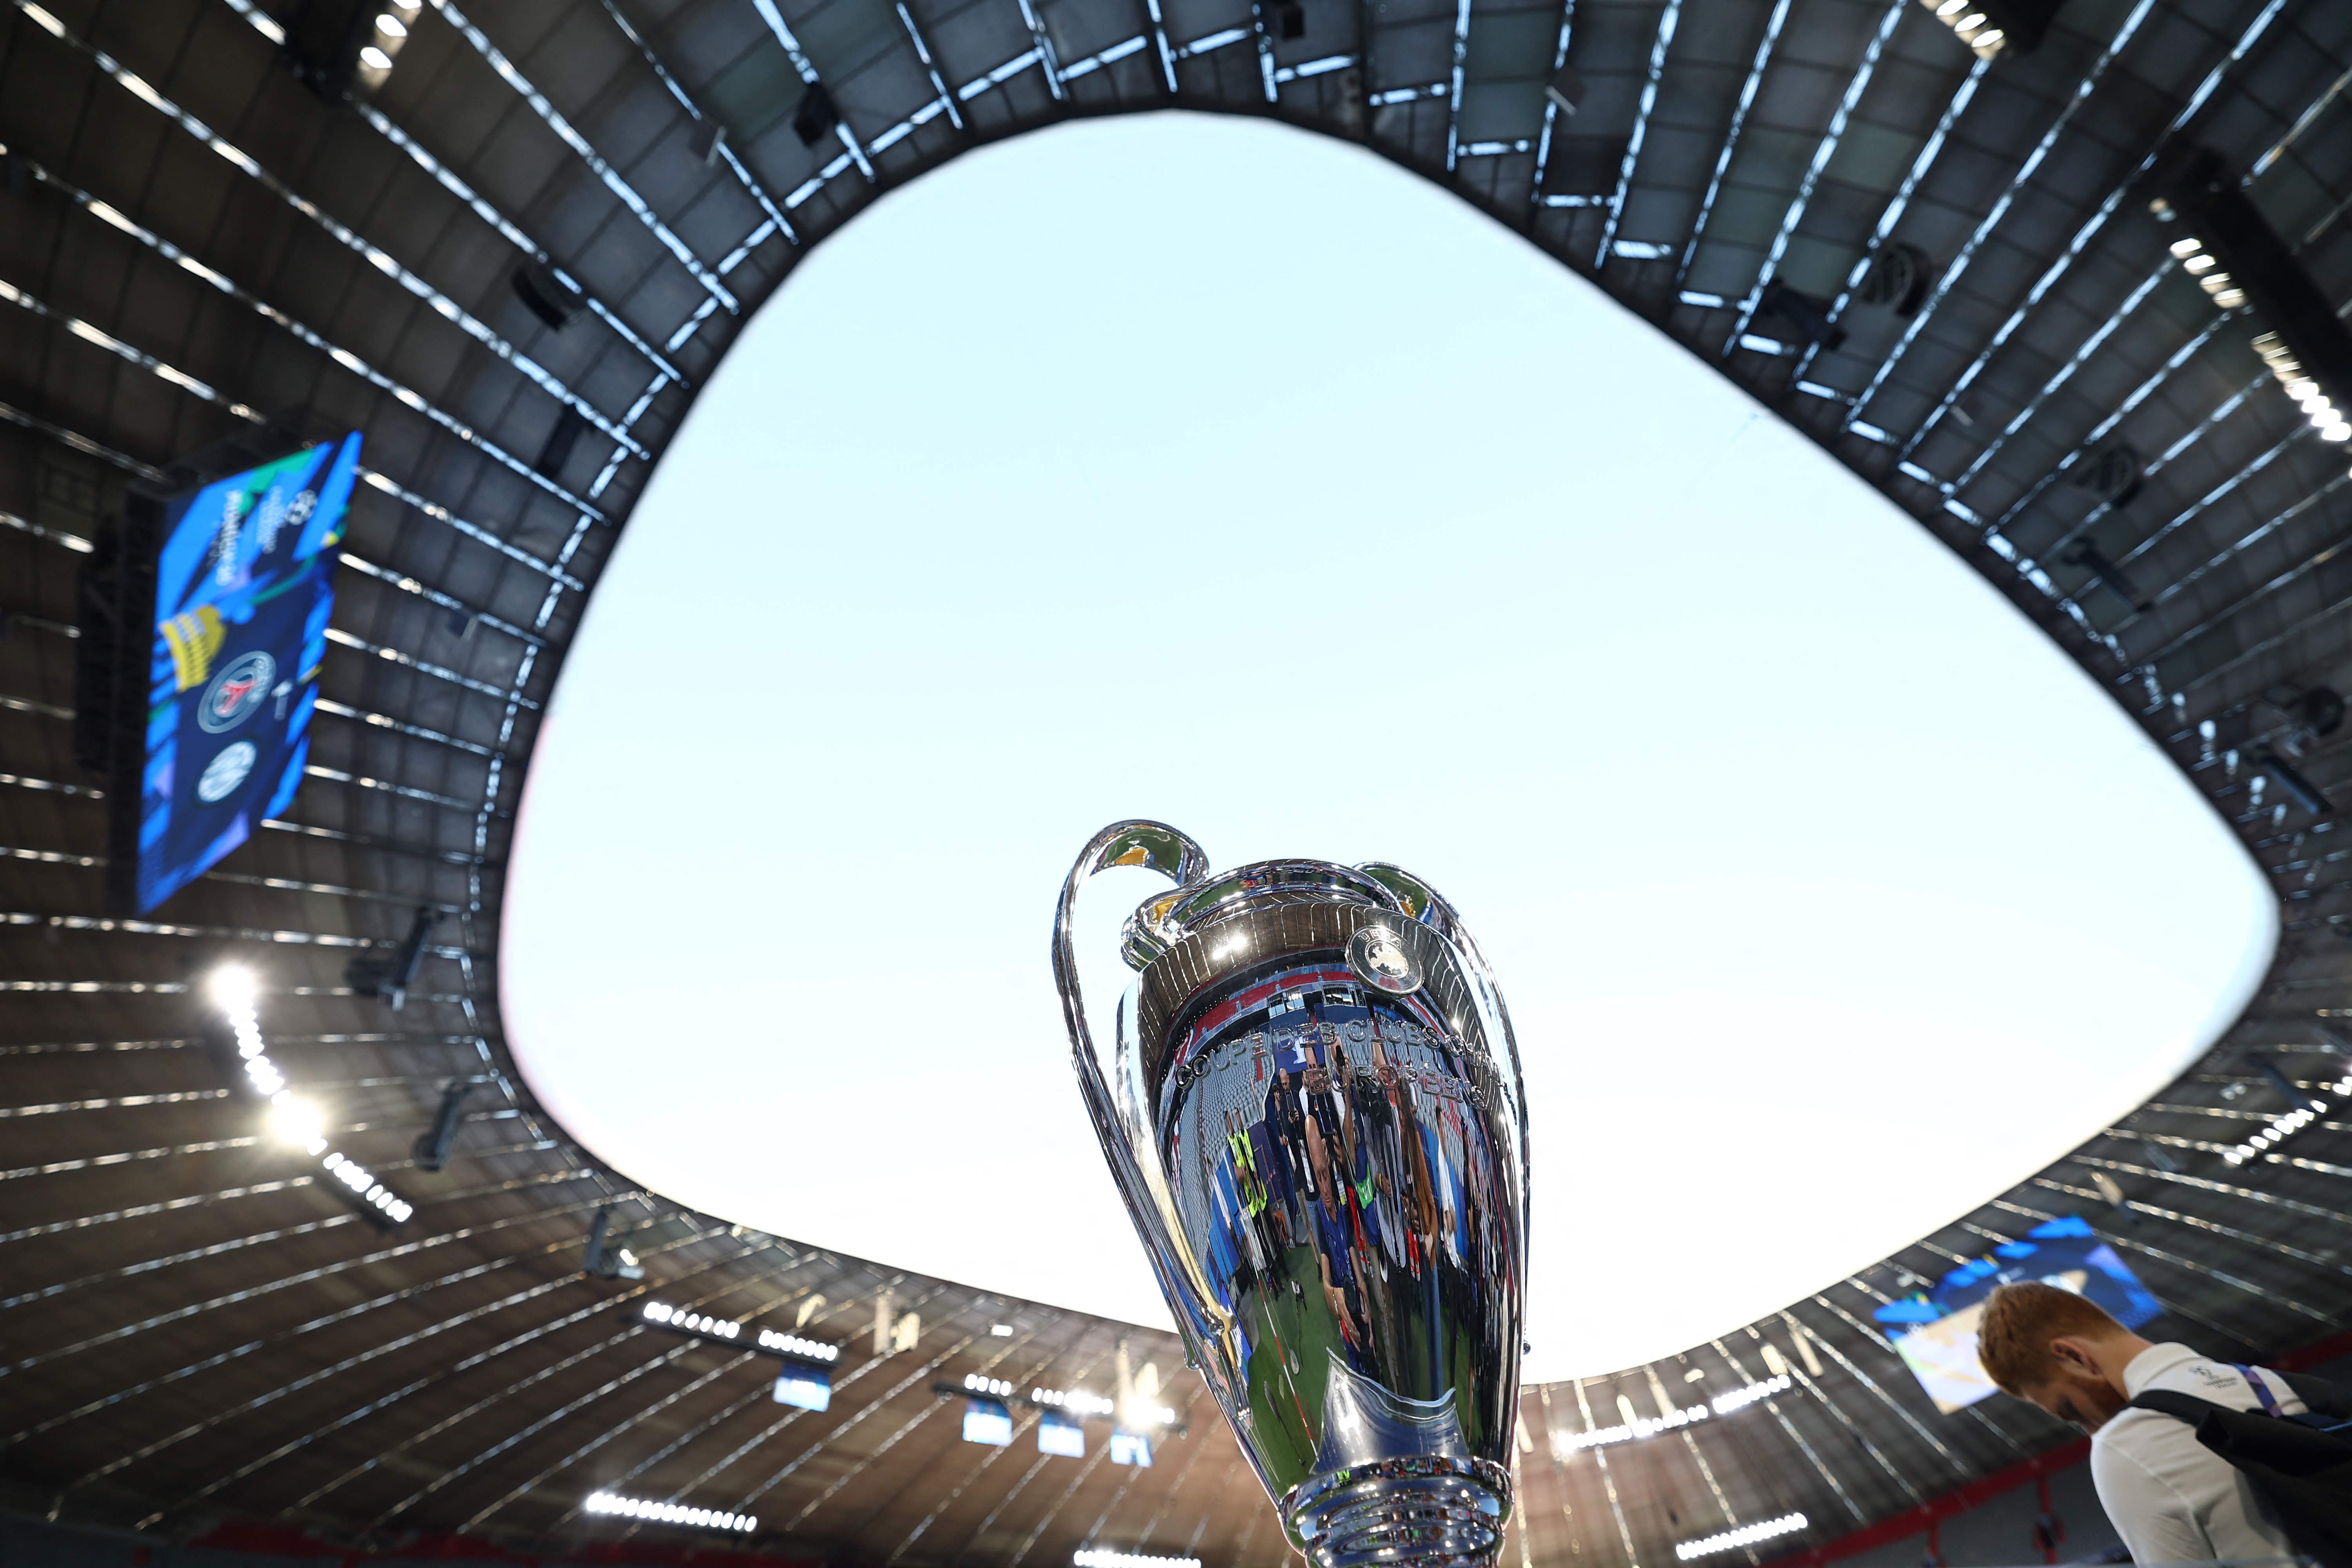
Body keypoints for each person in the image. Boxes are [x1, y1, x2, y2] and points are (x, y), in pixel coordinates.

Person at [1976, 1281, 2307, 1566]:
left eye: (2072, 1410)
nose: (2091, 1431)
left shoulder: (2123, 1446)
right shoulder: (2270, 1382)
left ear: (2075, 1357)